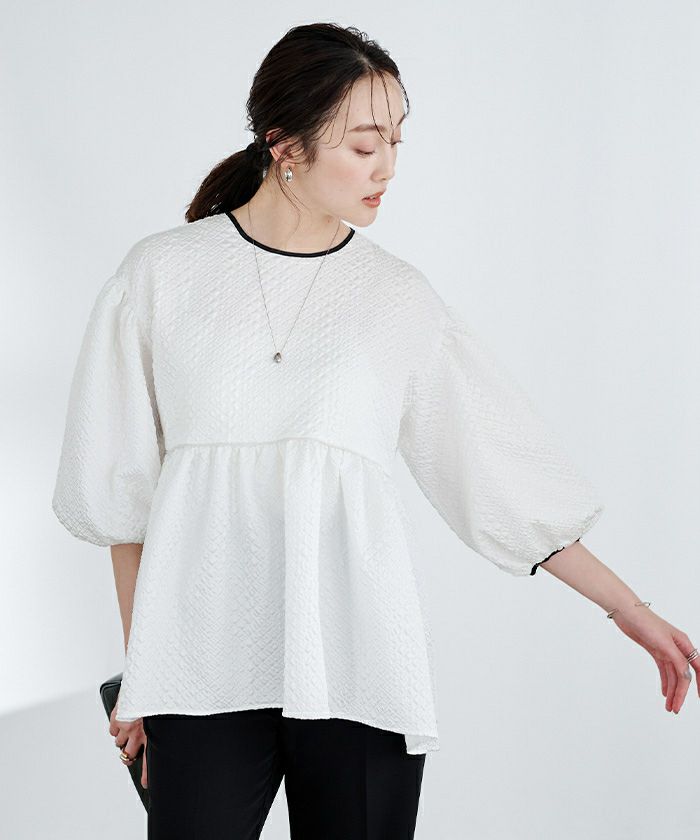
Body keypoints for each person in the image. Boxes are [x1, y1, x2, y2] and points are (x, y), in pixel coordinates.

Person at [51, 21, 699, 840]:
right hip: (198, 670)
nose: (387, 167)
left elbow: (497, 475)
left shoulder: (398, 299)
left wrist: (629, 609)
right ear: (285, 145)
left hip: (359, 669)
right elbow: (124, 502)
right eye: (364, 145)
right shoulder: (161, 275)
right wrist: (143, 674)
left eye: (395, 141)